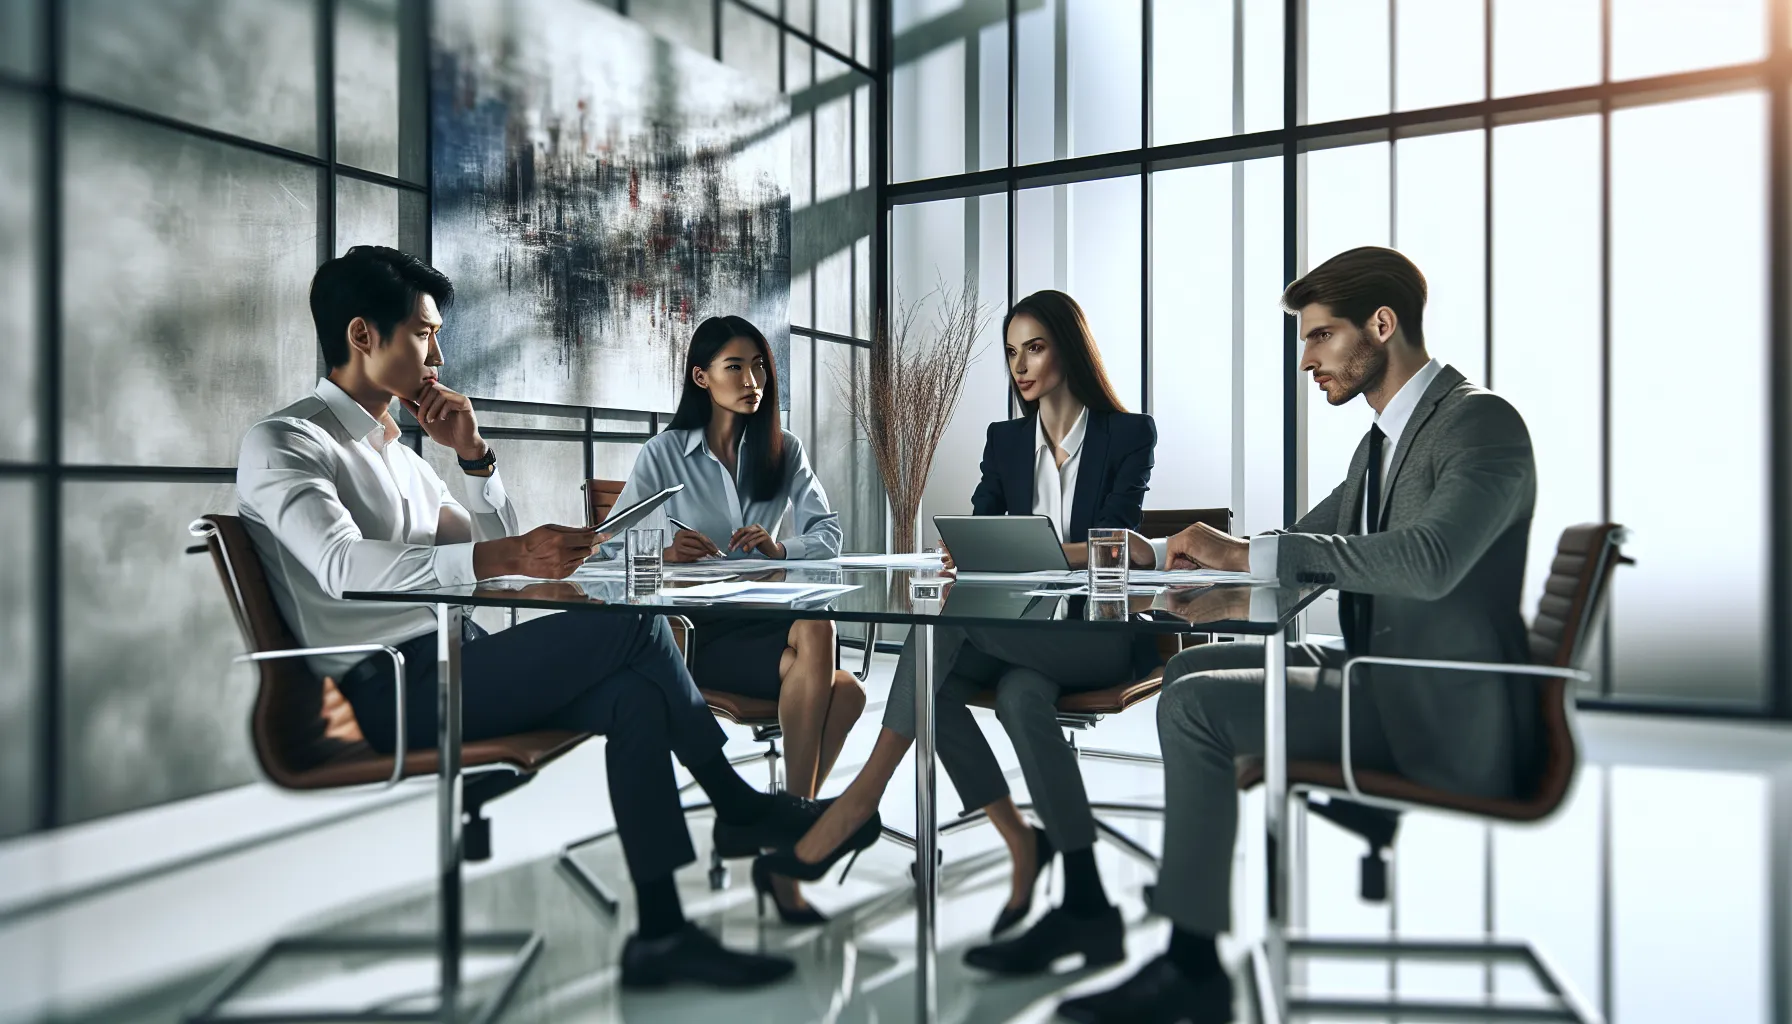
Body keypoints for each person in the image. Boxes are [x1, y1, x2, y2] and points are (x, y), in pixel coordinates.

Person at [236, 246, 822, 990]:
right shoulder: (287, 442)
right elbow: (344, 568)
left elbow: (490, 552)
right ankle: (736, 803)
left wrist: (475, 458)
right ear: (362, 335)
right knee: (635, 624)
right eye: (424, 333)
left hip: (456, 662)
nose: (438, 354)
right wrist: (507, 552)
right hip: (385, 689)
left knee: (635, 695)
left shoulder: (404, 456)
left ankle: (664, 936)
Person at [1059, 247, 1540, 1023]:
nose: (1308, 359)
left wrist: (1251, 558)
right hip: (1388, 677)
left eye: (1320, 337)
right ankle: (1194, 916)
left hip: (1441, 713)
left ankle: (1191, 969)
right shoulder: (1386, 440)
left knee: (1194, 709)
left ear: (1382, 326)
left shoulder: (1480, 424)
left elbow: (1429, 562)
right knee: (1185, 677)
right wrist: (1211, 580)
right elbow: (1307, 545)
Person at [756, 289, 1160, 972]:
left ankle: (856, 805)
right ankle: (1058, 877)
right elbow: (975, 533)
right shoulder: (1006, 443)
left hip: (1097, 636)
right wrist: (969, 551)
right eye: (1011, 352)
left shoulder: (1128, 433)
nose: (1021, 365)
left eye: (1034, 346)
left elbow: (1113, 542)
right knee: (998, 696)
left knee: (937, 638)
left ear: (1068, 346)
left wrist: (1037, 551)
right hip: (1014, 636)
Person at [603, 314, 864, 923]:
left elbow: (829, 532)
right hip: (694, 633)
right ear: (702, 376)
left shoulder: (784, 450)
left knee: (820, 633)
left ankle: (784, 831)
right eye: (735, 367)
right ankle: (793, 841)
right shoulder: (663, 455)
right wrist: (664, 555)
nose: (753, 380)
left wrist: (783, 550)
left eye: (759, 367)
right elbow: (608, 550)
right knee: (845, 693)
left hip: (766, 615)